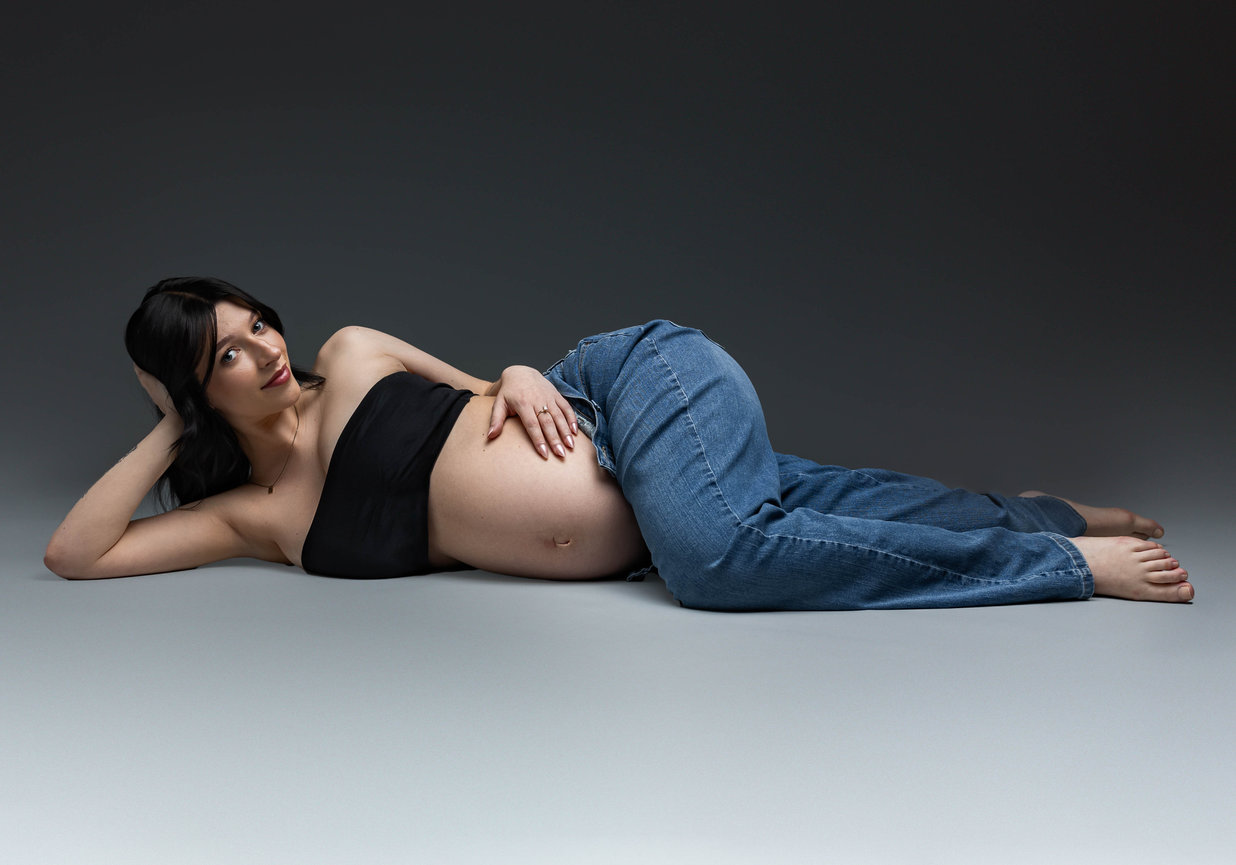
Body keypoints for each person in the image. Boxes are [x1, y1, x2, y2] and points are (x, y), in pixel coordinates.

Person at [45, 277, 1194, 610]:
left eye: (256, 321)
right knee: (796, 511)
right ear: (199, 391)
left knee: (722, 557)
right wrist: (164, 427)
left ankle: (1054, 570)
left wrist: (540, 368)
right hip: (648, 490)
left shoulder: (350, 351)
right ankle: (1043, 513)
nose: (266, 345)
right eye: (230, 353)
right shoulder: (259, 517)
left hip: (629, 381)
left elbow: (499, 384)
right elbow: (78, 554)